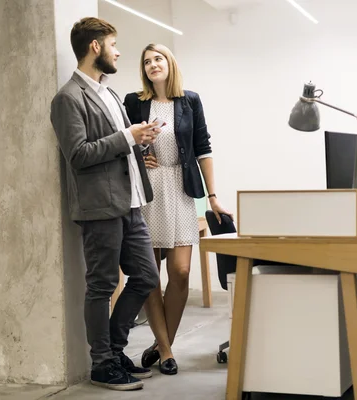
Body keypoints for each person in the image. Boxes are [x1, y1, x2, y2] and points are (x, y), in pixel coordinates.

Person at [50, 17, 162, 391]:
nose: (117, 52)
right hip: (99, 207)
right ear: (95, 47)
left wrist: (140, 139)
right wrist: (127, 136)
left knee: (146, 276)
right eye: (113, 45)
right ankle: (102, 364)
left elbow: (120, 143)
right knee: (101, 285)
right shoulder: (68, 98)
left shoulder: (110, 93)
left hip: (131, 202)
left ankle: (113, 350)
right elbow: (78, 155)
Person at [123, 44, 232, 375]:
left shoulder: (190, 101)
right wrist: (140, 155)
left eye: (158, 59)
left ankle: (159, 343)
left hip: (181, 191)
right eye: (147, 61)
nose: (153, 64)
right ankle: (168, 350)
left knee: (181, 272)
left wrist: (213, 196)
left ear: (170, 64)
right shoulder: (134, 101)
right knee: (149, 275)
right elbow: (123, 142)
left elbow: (203, 148)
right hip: (147, 193)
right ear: (144, 70)